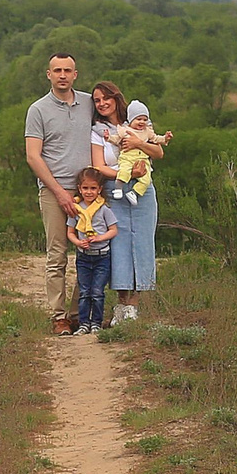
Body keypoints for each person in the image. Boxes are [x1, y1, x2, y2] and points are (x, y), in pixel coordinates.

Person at [23, 52, 94, 335]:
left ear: (75, 74)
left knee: (88, 253)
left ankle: (80, 313)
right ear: (48, 74)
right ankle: (58, 316)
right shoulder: (38, 110)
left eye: (68, 70)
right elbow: (33, 156)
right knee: (57, 255)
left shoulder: (89, 103)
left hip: (88, 192)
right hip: (54, 192)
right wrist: (59, 193)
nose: (62, 75)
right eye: (57, 70)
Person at [105, 99, 166, 325]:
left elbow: (158, 152)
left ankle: (135, 303)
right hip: (116, 188)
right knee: (118, 244)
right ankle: (121, 303)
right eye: (98, 100)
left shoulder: (141, 128)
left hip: (142, 188)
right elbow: (96, 164)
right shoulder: (101, 130)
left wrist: (138, 144)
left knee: (143, 241)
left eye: (107, 100)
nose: (103, 104)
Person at [66, 168, 119, 333]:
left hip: (101, 256)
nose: (89, 192)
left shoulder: (104, 209)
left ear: (100, 189)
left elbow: (113, 230)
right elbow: (70, 232)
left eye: (93, 188)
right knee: (84, 291)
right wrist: (78, 243)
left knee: (97, 292)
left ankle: (96, 322)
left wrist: (100, 238)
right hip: (83, 257)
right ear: (80, 189)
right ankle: (83, 323)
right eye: (86, 188)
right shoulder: (76, 210)